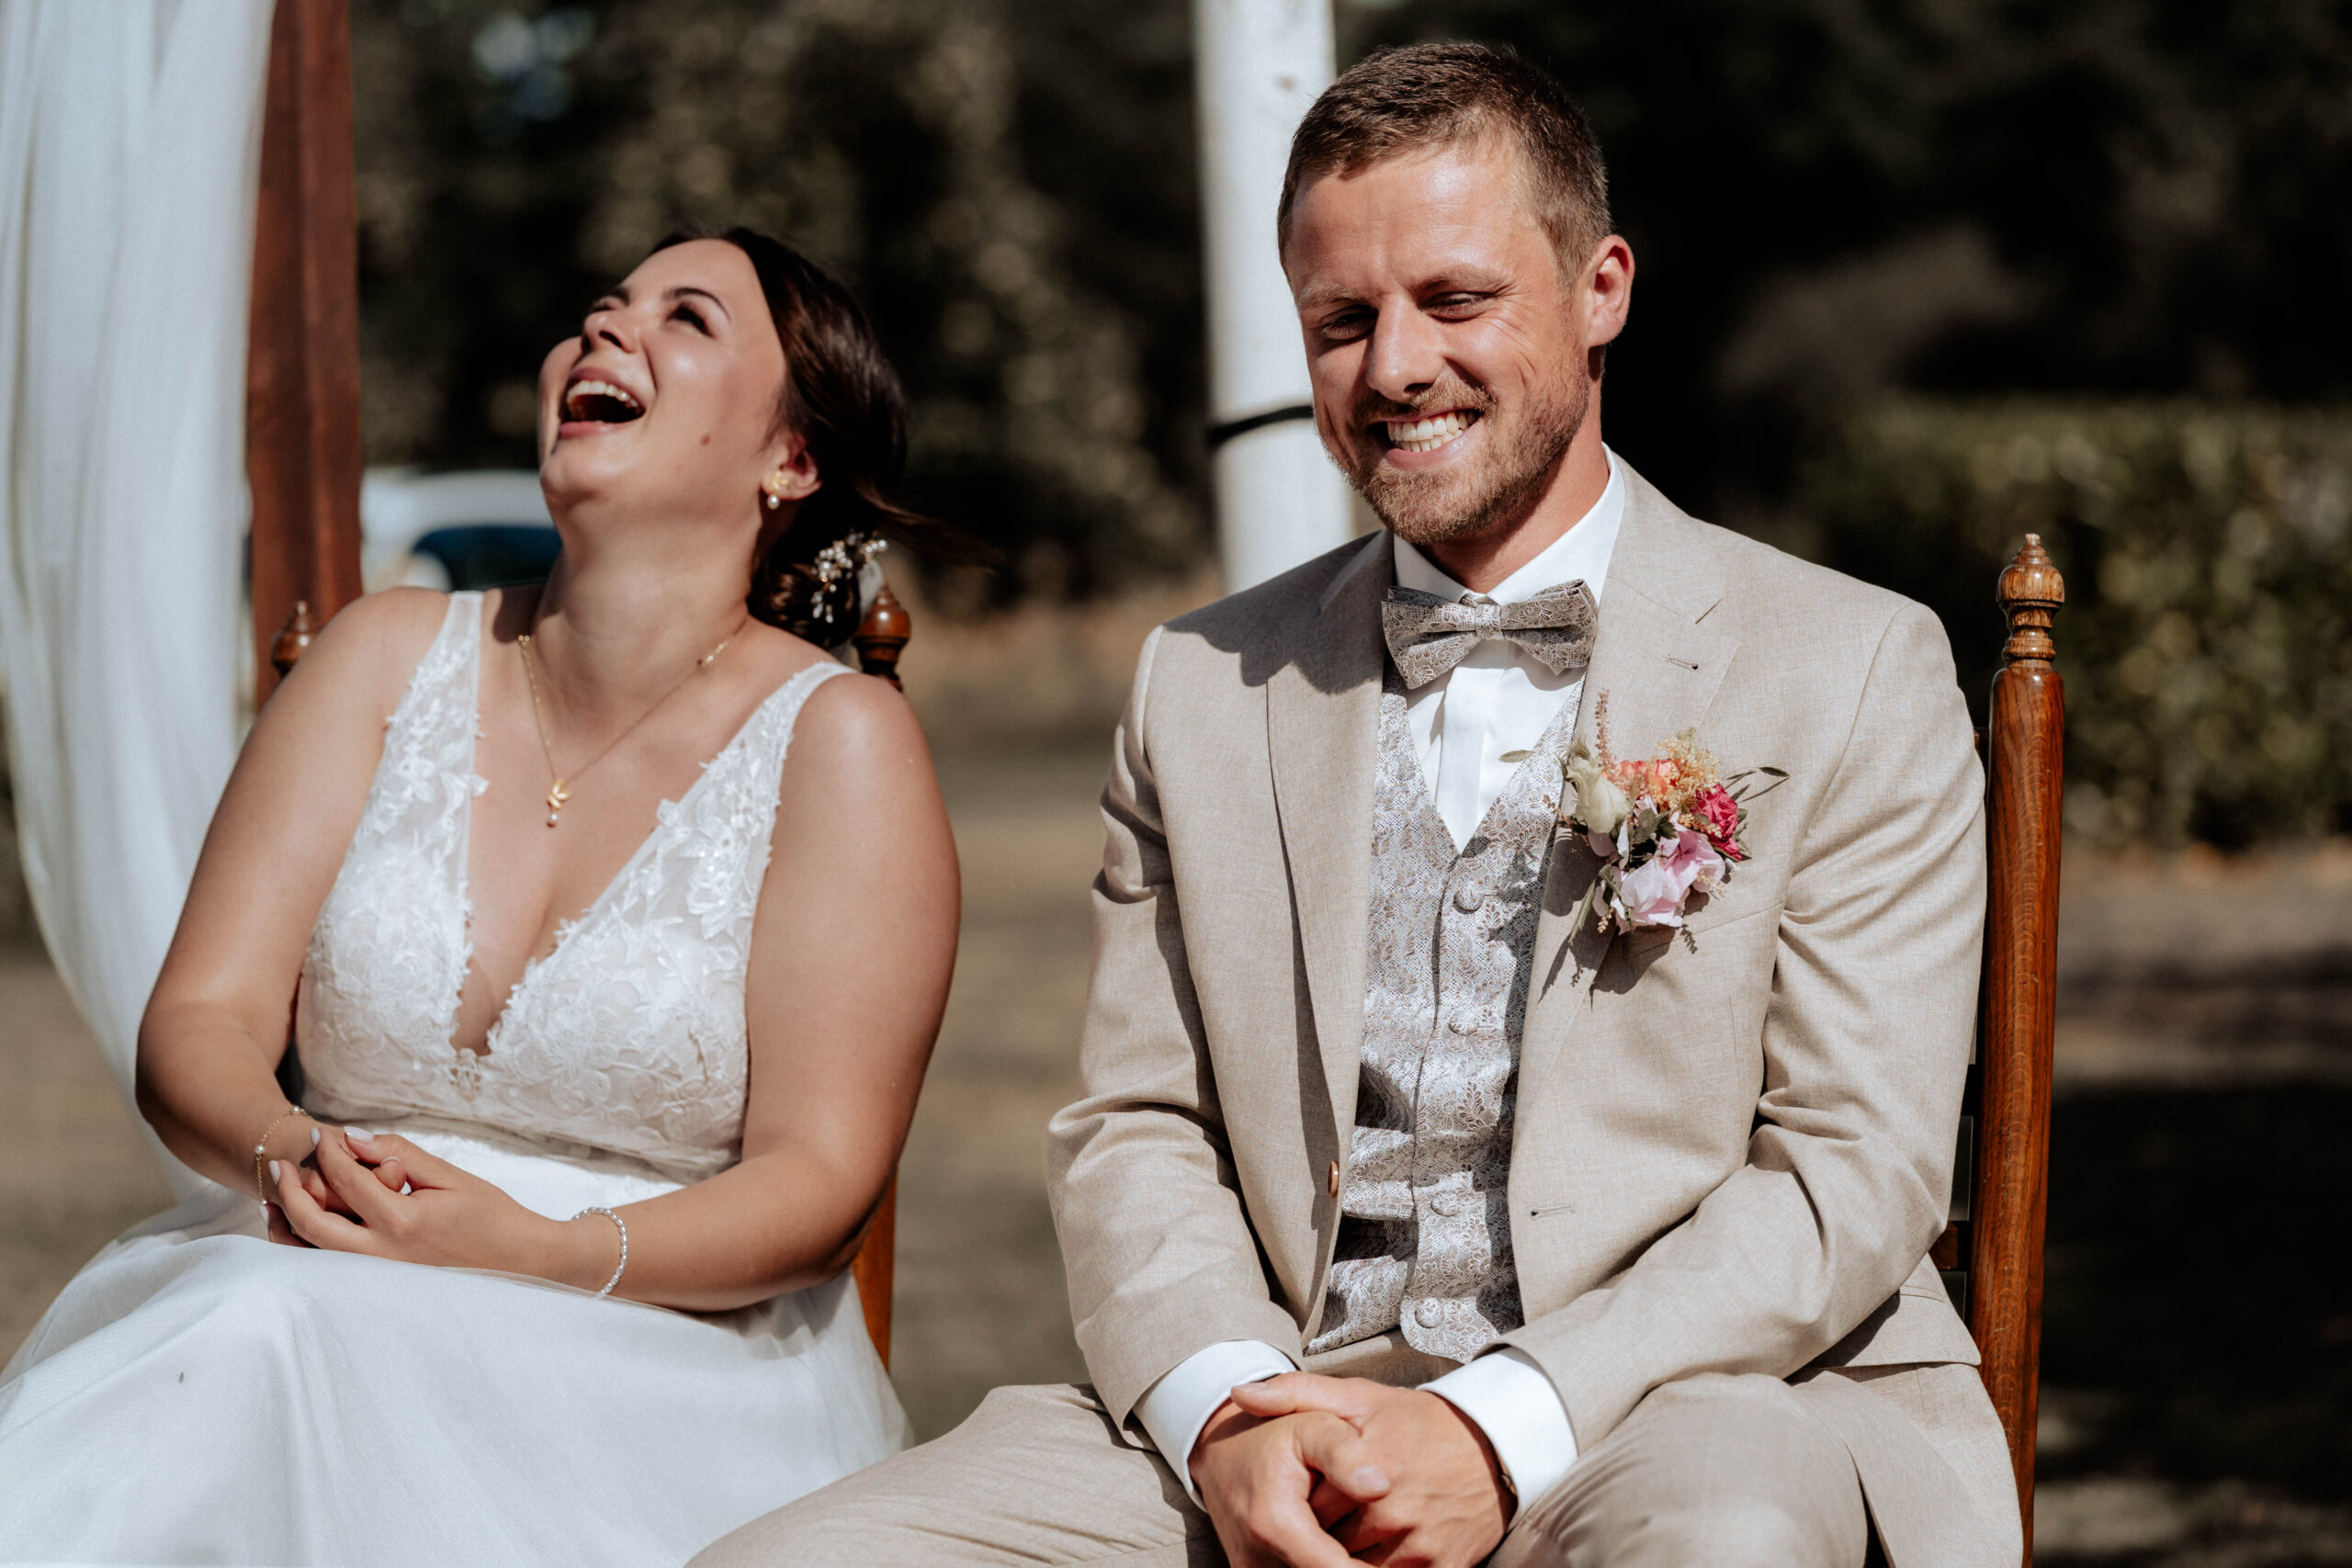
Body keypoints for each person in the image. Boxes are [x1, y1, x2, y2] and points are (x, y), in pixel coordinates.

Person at [700, 42, 2020, 1568]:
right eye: (1342, 320)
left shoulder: (1846, 663)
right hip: (1287, 1406)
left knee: (1723, 1540)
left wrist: (1495, 1427)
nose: (1393, 368)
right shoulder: (1199, 684)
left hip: (1703, 1402)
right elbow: (1138, 1127)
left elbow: (1853, 1165)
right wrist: (1230, 1415)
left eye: (1454, 301)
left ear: (1601, 290)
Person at [0, 229, 959, 1566]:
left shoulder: (838, 743)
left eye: (685, 318)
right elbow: (201, 1017)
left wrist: (532, 1247)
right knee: (240, 1344)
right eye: (603, 306)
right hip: (314, 1272)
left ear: (790, 459)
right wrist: (301, 1158)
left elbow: (821, 1181)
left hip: (652, 1354)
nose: (604, 329)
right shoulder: (378, 656)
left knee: (254, 1350)